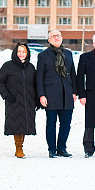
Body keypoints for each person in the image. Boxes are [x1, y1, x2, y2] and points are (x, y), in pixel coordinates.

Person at [37, 30, 78, 158]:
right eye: (53, 36)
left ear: (62, 38)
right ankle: (52, 149)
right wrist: (41, 95)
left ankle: (62, 148)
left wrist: (74, 92)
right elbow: (39, 77)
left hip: (67, 93)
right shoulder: (43, 55)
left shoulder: (68, 54)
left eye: (58, 35)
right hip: (50, 94)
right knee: (51, 123)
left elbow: (73, 74)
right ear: (49, 40)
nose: (56, 38)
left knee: (66, 123)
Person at [0, 43, 38, 158]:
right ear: (15, 52)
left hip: (28, 100)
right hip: (13, 100)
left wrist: (37, 99)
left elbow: (36, 84)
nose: (21, 54)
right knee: (16, 123)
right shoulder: (8, 66)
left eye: (23, 52)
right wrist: (6, 95)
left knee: (25, 124)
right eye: (19, 51)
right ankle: (18, 148)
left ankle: (20, 146)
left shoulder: (30, 67)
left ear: (27, 53)